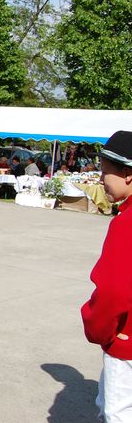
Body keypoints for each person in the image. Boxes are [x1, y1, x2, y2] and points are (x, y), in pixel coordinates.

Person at [81, 130, 132, 421]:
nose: (101, 180)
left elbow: (114, 291)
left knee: (118, 413)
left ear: (127, 173)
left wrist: (96, 327)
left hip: (127, 342)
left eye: (105, 173)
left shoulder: (126, 224)